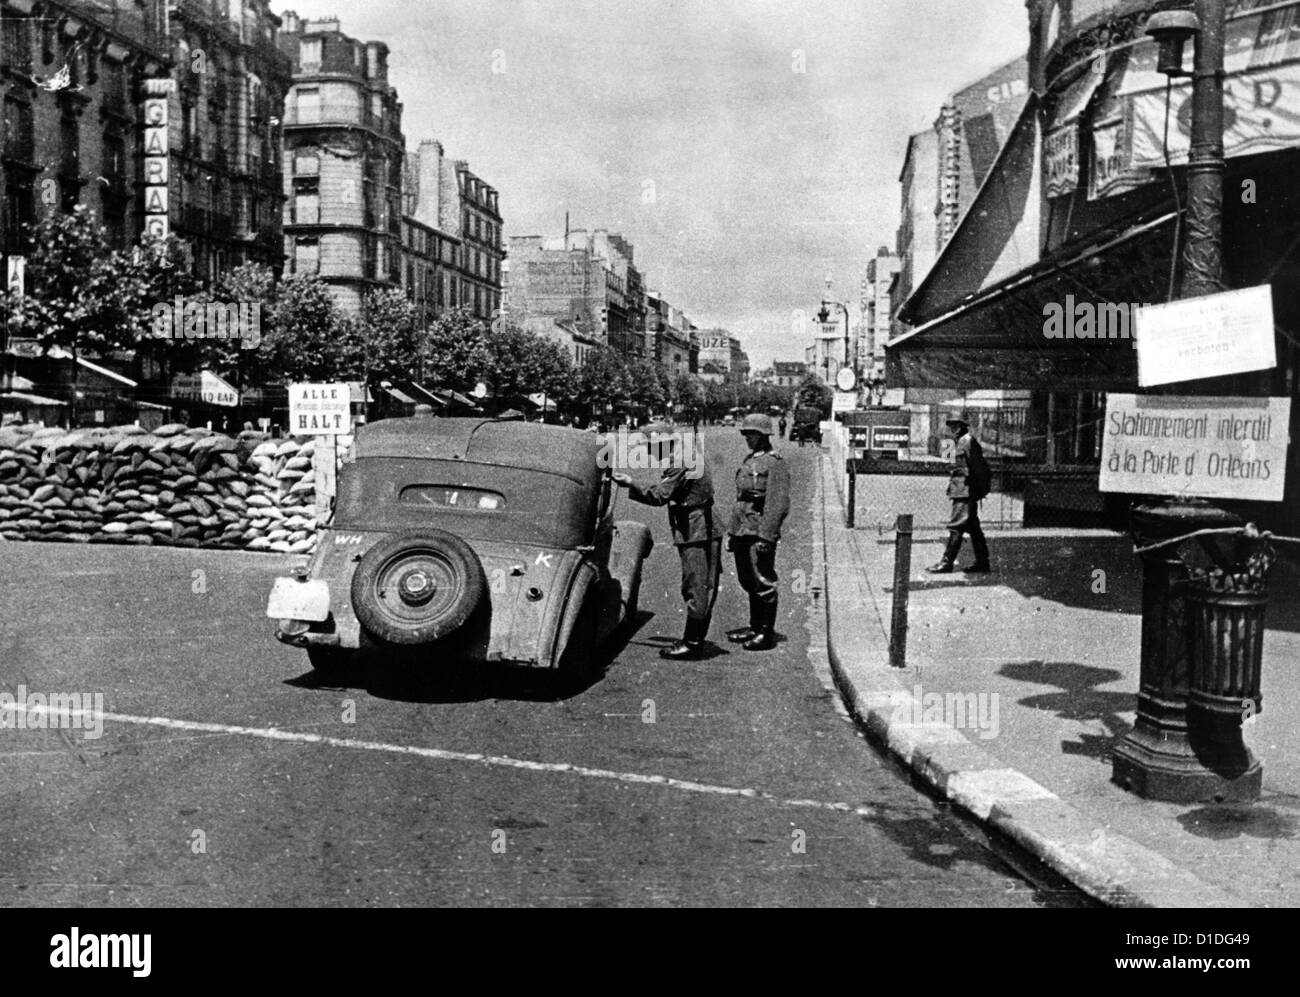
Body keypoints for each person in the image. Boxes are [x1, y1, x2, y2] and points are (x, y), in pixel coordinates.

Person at [612, 422, 721, 660]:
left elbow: (660, 495)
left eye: (650, 447)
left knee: (696, 584)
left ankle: (693, 644)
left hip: (696, 528)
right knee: (702, 583)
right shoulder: (685, 453)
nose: (649, 452)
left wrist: (630, 482)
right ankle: (695, 640)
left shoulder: (679, 462)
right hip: (702, 525)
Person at [726, 413, 790, 651]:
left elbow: (777, 503)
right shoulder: (750, 459)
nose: (748, 439)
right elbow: (740, 499)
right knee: (747, 579)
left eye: (752, 434)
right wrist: (732, 532)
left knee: (762, 580)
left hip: (758, 530)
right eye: (746, 434)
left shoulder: (775, 463)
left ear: (764, 436)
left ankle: (766, 632)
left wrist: (767, 536)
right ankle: (754, 626)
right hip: (743, 528)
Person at [927, 413, 992, 574]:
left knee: (956, 526)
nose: (953, 428)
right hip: (959, 490)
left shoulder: (968, 442)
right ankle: (983, 563)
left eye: (956, 425)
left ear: (963, 426)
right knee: (973, 528)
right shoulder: (955, 443)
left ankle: (946, 563)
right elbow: (950, 464)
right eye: (951, 426)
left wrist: (977, 491)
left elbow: (978, 468)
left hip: (966, 492)